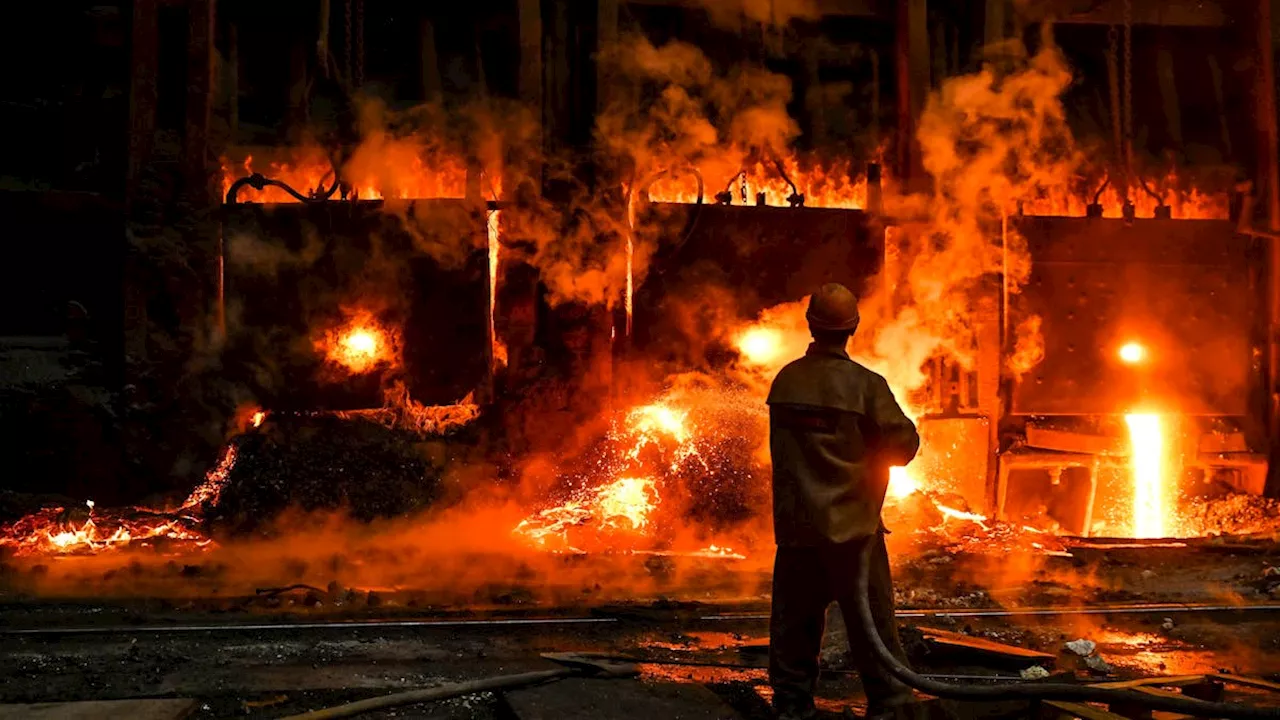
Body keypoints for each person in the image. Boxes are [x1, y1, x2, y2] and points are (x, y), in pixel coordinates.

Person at [766, 283, 920, 720]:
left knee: (793, 630)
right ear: (853, 327)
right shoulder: (865, 387)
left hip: (798, 531)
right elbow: (903, 447)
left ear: (811, 324)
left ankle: (791, 707)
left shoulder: (787, 381)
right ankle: (890, 706)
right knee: (873, 630)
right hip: (854, 534)